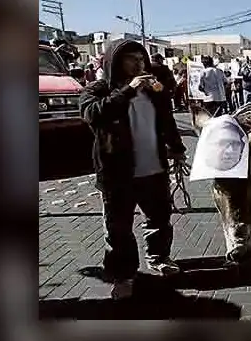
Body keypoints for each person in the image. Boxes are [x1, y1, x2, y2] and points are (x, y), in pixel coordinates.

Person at [79, 40, 188, 299]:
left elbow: (167, 121)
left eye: (142, 58)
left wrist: (177, 147)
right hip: (118, 174)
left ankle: (159, 258)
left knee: (159, 220)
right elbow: (92, 114)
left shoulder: (154, 91)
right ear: (115, 61)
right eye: (131, 58)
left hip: (154, 169)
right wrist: (128, 90)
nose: (139, 64)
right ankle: (123, 274)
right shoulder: (98, 89)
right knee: (118, 228)